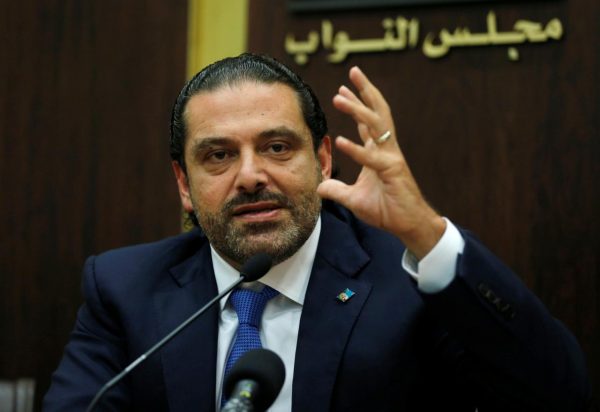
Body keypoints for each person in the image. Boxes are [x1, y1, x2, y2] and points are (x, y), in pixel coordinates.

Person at [44, 53, 591, 411]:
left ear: (323, 160)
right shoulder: (124, 288)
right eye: (219, 156)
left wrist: (424, 233)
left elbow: (559, 393)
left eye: (278, 147)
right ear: (184, 184)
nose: (252, 175)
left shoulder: (406, 284)